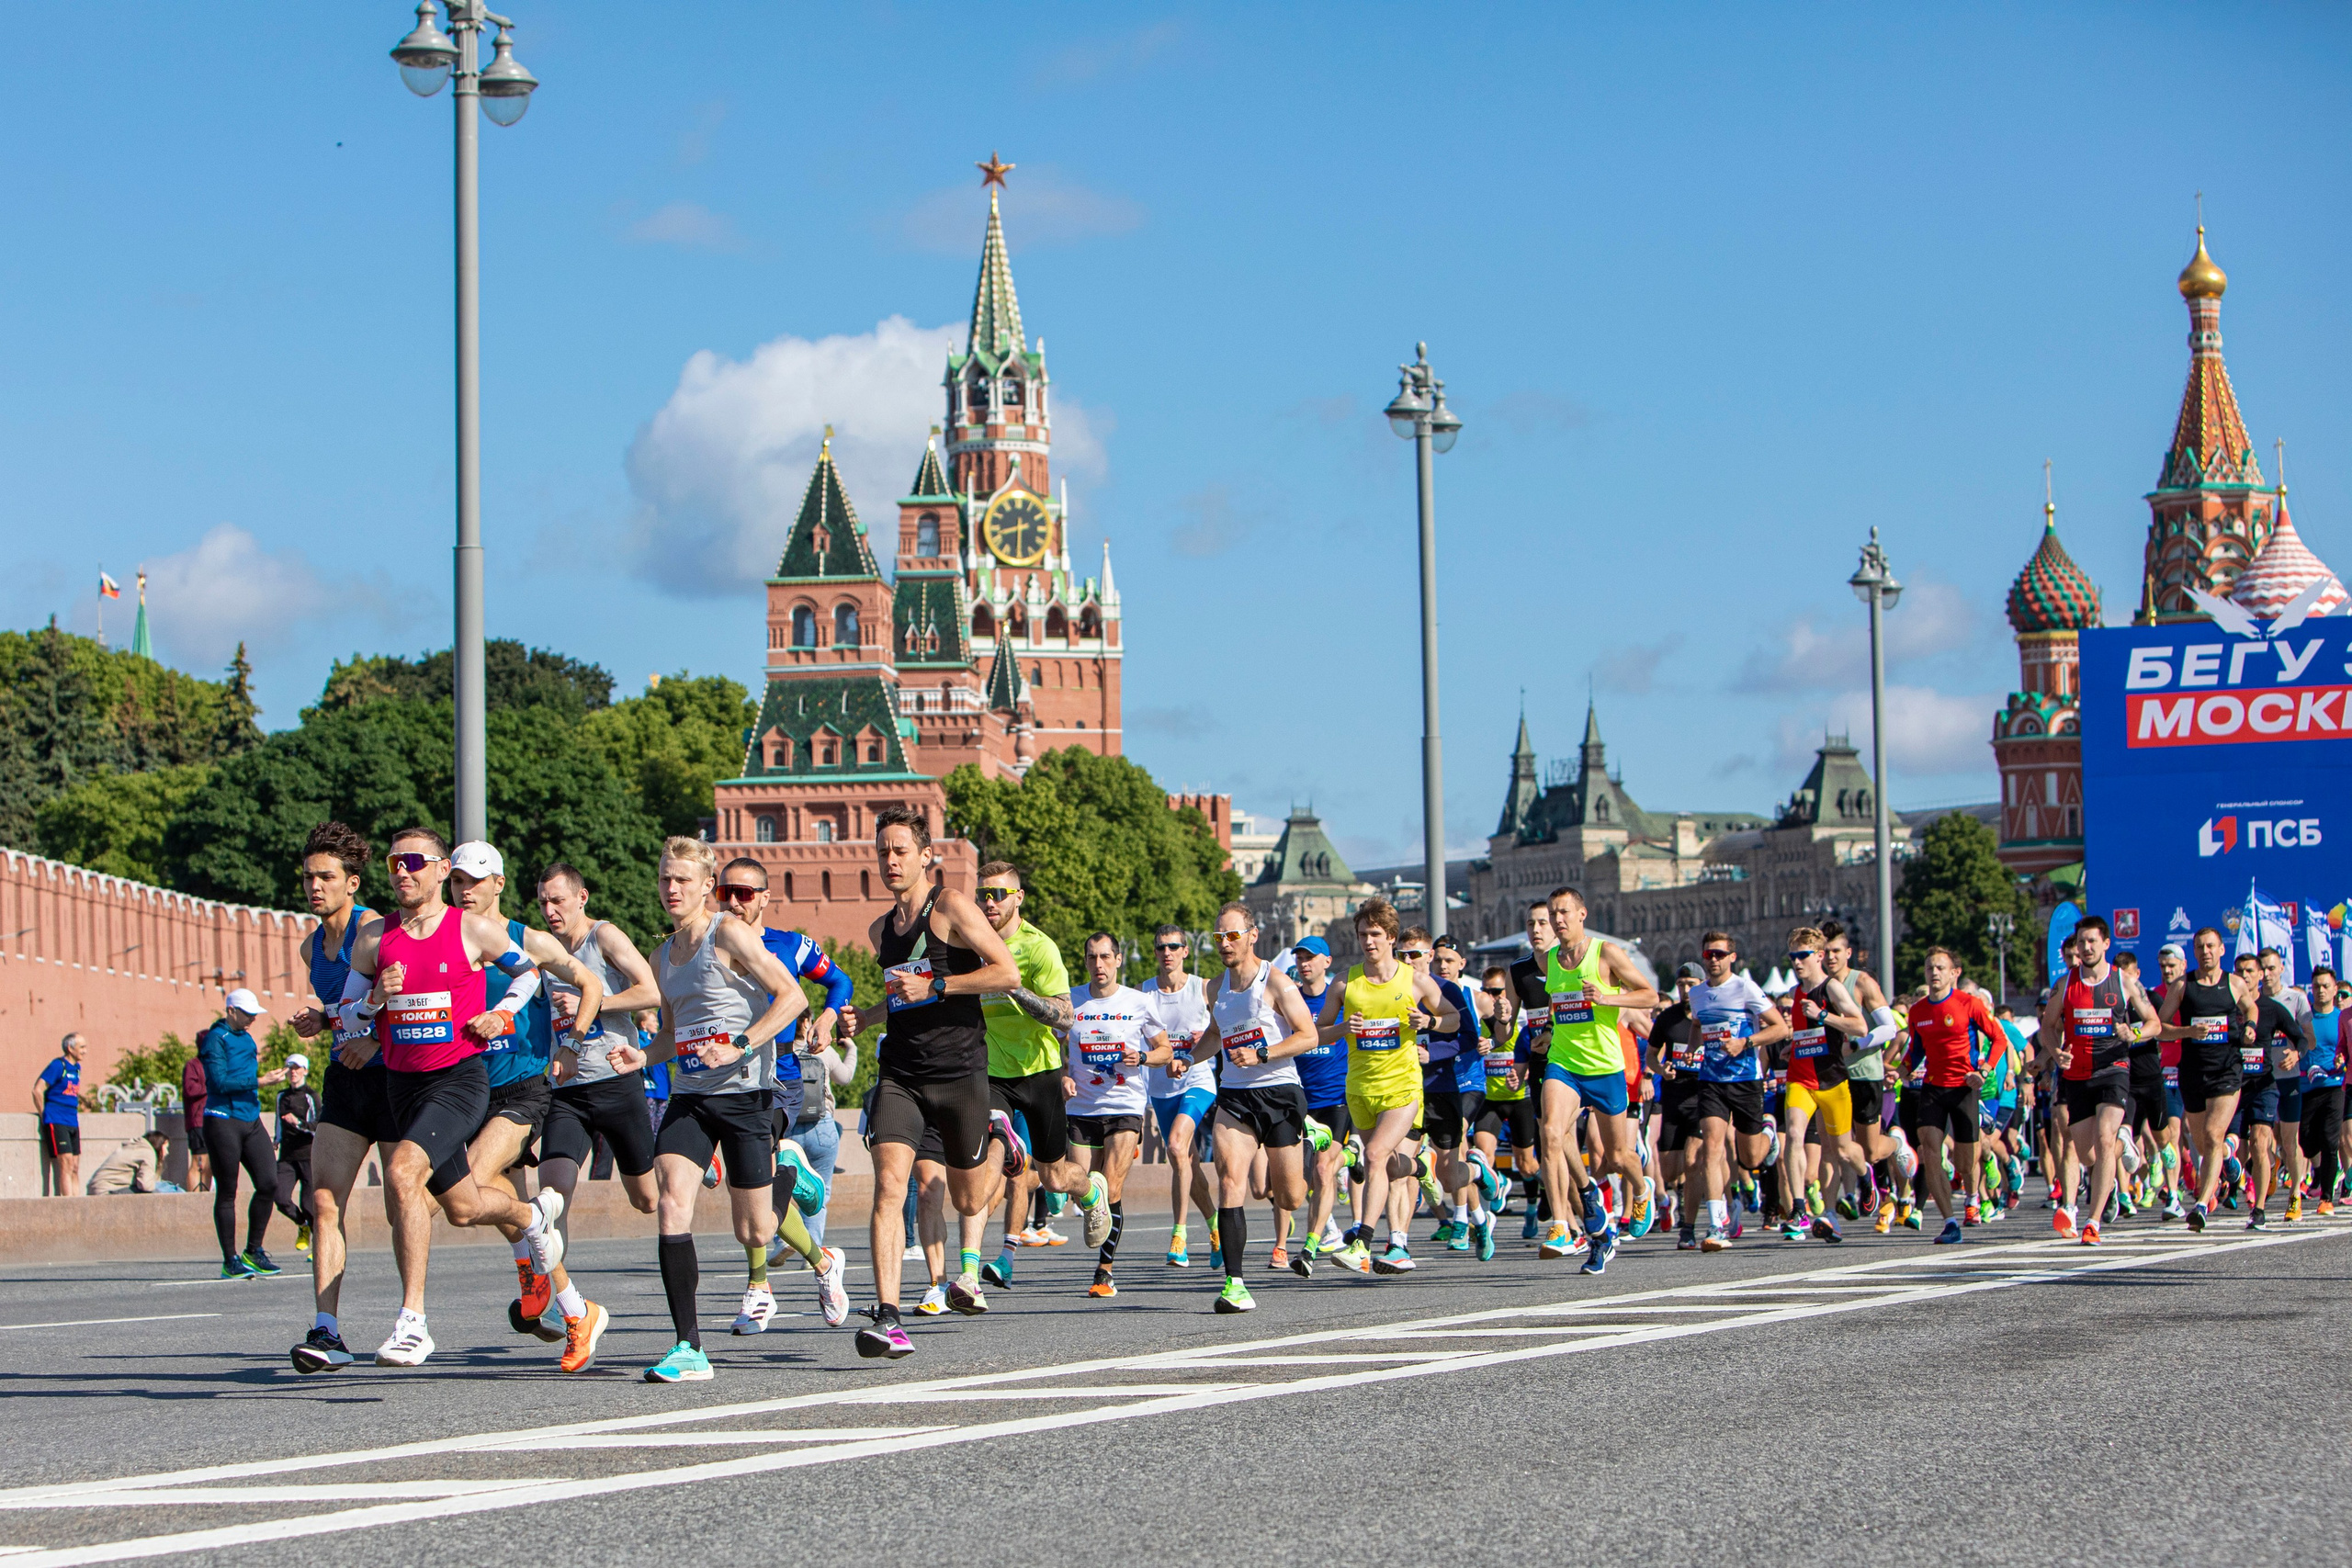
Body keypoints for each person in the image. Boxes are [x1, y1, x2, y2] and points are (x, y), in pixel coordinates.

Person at [331, 828, 575, 1368]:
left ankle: (412, 1322)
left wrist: (502, 1013)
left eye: (414, 861)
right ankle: (531, 1218)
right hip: (403, 1084)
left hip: (459, 1081)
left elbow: (529, 973)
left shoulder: (472, 929)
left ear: (441, 869)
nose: (402, 871)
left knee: (400, 1174)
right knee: (462, 1208)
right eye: (395, 861)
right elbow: (345, 1016)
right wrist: (373, 1002)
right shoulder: (374, 938)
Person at [619, 837, 809, 1383]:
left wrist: (741, 1045)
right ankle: (689, 1347)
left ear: (708, 886)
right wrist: (642, 1054)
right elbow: (675, 1036)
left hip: (746, 1092)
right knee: (671, 1201)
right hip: (692, 1097)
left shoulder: (728, 932)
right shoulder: (662, 955)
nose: (671, 889)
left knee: (754, 1232)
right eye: (664, 879)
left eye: (683, 880)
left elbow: (792, 997)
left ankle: (785, 1180)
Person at [837, 806, 1023, 1359]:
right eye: (882, 851)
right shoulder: (880, 930)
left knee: (968, 1200)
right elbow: (901, 995)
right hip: (901, 1073)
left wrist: (941, 987)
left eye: (900, 851)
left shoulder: (951, 908)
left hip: (961, 1071)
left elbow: (1006, 972)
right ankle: (889, 1317)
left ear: (925, 856)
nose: (890, 860)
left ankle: (998, 1141)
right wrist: (864, 1018)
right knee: (892, 1186)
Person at [443, 843, 622, 1371]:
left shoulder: (529, 941)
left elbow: (590, 985)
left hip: (523, 1087)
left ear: (498, 883)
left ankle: (416, 1320)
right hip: (465, 1086)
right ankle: (574, 1307)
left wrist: (571, 1045)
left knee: (473, 1184)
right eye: (456, 882)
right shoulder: (444, 941)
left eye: (474, 881)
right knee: (490, 1206)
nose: (464, 891)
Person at [701, 856, 850, 1333]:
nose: (736, 902)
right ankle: (821, 1260)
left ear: (765, 898)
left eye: (747, 893)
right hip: (720, 1079)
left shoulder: (789, 945)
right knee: (751, 1196)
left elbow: (838, 980)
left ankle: (759, 1287)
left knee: (754, 1187)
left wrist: (827, 1018)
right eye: (727, 893)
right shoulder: (702, 945)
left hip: (778, 1077)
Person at [535, 862, 664, 1371]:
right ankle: (575, 1315)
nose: (550, 911)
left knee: (646, 1200)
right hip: (566, 1092)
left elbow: (651, 991)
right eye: (543, 902)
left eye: (558, 901)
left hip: (616, 1083)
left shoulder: (604, 936)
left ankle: (700, 1164)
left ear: (581, 897)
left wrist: (596, 1000)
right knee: (548, 1206)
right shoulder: (541, 951)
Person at [966, 862, 1109, 1302]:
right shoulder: (969, 944)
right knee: (987, 1160)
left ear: (1018, 897)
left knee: (1054, 1179)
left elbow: (1066, 1017)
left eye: (999, 894)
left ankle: (1091, 1191)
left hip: (1040, 1073)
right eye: (983, 894)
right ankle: (969, 1274)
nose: (990, 902)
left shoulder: (1039, 947)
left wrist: (1014, 988)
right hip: (990, 1072)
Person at [286, 821, 390, 1373]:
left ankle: (409, 1322)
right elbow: (342, 1012)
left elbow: (407, 997)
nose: (315, 885)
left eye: (327, 876)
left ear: (353, 882)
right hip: (345, 1081)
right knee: (324, 1202)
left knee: (413, 1206)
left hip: (396, 1075)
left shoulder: (374, 929)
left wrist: (371, 1038)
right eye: (308, 876)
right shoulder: (310, 946)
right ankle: (327, 1329)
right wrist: (320, 1023)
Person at [1317, 898, 1458, 1275]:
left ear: (1392, 937)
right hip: (1360, 1088)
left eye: (1376, 934)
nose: (1368, 942)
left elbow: (1452, 1018)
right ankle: (1419, 1167)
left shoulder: (1415, 980)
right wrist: (1343, 1029)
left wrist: (1427, 1022)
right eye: (1363, 934)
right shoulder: (1345, 982)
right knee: (1391, 1167)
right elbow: (1317, 1031)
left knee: (1375, 1157)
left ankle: (1362, 1241)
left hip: (1403, 1087)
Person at [1197, 902, 1322, 1310]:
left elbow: (1309, 1036)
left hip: (1280, 1092)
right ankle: (1235, 1284)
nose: (1225, 944)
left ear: (1252, 935)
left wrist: (1263, 1054)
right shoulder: (1215, 988)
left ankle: (1312, 1139)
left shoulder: (1277, 982)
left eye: (1232, 935)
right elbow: (1216, 1035)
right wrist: (1189, 1057)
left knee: (1289, 1198)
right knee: (1231, 1180)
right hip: (1235, 1097)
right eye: (1219, 937)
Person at [1535, 887, 1659, 1274]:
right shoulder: (1551, 960)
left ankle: (1642, 1190)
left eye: (1564, 912)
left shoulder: (1605, 953)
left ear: (1582, 914)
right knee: (1553, 1133)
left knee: (1618, 1157)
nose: (1558, 920)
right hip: (1564, 1064)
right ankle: (1570, 1213)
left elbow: (1650, 995)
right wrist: (1549, 1031)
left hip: (1605, 1066)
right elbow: (1562, 1007)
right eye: (1553, 913)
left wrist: (1607, 997)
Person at [2031, 916, 2160, 1246]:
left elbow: (2154, 1024)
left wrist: (2132, 1032)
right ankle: (2122, 1148)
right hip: (2076, 1075)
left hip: (2113, 1069)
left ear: (2106, 944)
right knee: (2088, 1155)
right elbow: (2048, 1026)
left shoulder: (2124, 982)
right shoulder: (2065, 984)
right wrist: (2054, 1052)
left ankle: (2092, 1221)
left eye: (2092, 941)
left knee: (2104, 1140)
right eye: (2081, 942)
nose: (2086, 948)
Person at [1062, 933, 1173, 1299]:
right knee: (1079, 1188)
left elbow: (1164, 1050)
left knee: (1111, 1187)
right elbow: (1052, 1047)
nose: (1099, 965)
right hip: (1081, 1107)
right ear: (1085, 962)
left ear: (1119, 960)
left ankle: (1104, 1272)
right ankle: (1089, 1205)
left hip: (1125, 1105)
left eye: (1106, 957)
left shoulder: (1138, 1002)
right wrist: (1063, 1075)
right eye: (1092, 957)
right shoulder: (1070, 999)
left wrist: (1141, 1058)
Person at [2154, 927, 2262, 1233]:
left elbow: (2250, 1005)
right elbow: (2160, 1027)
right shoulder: (2182, 986)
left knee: (2215, 1135)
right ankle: (2229, 1161)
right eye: (2200, 947)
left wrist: (2251, 1024)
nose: (2206, 952)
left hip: (2227, 1070)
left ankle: (2201, 1204)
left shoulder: (2234, 983)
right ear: (2194, 951)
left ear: (2221, 950)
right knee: (2204, 1144)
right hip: (2193, 1072)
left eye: (2211, 946)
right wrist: (2188, 1032)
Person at [1688, 931, 1788, 1252]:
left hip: (1745, 1079)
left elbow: (1780, 1028)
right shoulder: (1698, 994)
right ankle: (1717, 1224)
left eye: (1719, 954)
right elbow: (1697, 1025)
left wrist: (1745, 1042)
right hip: (1711, 1080)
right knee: (1711, 1149)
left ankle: (1768, 1135)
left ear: (1732, 957)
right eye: (1708, 955)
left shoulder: (1745, 988)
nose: (1713, 960)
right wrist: (1692, 1050)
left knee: (1750, 1158)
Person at [1901, 948, 2004, 1246]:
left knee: (1964, 1163)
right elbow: (1915, 1050)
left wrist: (1984, 1070)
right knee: (1929, 1148)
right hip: (1933, 1087)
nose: (1934, 973)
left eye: (1940, 968)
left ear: (1952, 973)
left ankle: (1972, 1196)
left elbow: (1999, 1039)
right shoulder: (1918, 1011)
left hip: (1964, 1087)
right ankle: (1949, 1222)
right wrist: (1903, 1069)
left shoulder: (1969, 1004)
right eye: (1930, 968)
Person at [1777, 929, 1867, 1243]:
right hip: (1800, 1077)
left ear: (1818, 956)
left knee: (1843, 1151)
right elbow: (1805, 1034)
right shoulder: (1794, 991)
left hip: (1832, 1080)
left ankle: (1865, 1175)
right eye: (1792, 957)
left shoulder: (1833, 988)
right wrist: (1794, 1046)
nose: (1797, 963)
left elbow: (1859, 1025)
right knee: (1794, 1134)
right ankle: (1799, 1208)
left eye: (1802, 956)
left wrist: (1824, 1015)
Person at [1139, 925, 1218, 1269]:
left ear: (1186, 951)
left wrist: (1200, 1045)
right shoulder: (1143, 994)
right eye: (1161, 947)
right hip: (1161, 1087)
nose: (1167, 953)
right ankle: (1215, 1225)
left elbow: (1223, 1030)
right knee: (1185, 1161)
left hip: (1198, 1080)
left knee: (1175, 1145)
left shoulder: (1203, 989)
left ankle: (1180, 1236)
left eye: (1174, 947)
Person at [197, 990, 289, 1279]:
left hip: (250, 1119)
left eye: (254, 1014)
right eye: (247, 1013)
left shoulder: (247, 1039)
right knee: (227, 1191)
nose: (251, 1019)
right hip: (223, 1120)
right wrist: (261, 1081)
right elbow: (218, 1081)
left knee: (269, 1182)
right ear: (230, 1010)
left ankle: (254, 1250)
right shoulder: (215, 1039)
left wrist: (261, 1081)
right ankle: (230, 1260)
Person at [2231, 951, 2310, 1230]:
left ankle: (2265, 1207)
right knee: (2230, 1145)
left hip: (2267, 1083)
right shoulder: (2228, 1005)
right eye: (2240, 970)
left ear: (2261, 974)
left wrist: (2296, 1054)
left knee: (2263, 1142)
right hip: (2232, 1085)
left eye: (2250, 971)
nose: (2245, 976)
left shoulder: (2274, 1008)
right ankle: (2236, 1176)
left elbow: (2301, 1037)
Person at [1289, 936, 1352, 1271]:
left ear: (1327, 961)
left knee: (1323, 1169)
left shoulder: (1341, 998)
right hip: (1300, 1100)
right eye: (1299, 957)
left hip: (1335, 1099)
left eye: (1311, 957)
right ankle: (1350, 1157)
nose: (1304, 963)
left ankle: (1312, 1247)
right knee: (1293, 1184)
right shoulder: (1290, 1000)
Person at [1473, 962, 1538, 1255]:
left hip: (1519, 1099)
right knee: (1483, 1156)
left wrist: (1520, 1074)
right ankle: (1488, 1214)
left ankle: (1533, 1206)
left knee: (1526, 1165)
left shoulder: (1521, 1021)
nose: (1493, 997)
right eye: (1487, 991)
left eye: (1498, 991)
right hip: (1490, 1100)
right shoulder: (1479, 1022)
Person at [1506, 899, 1560, 1237]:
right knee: (1551, 1137)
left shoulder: (1571, 964)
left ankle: (1635, 1186)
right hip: (1544, 1063)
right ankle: (1565, 1215)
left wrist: (1553, 1029)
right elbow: (1507, 1027)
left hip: (1583, 1059)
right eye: (1530, 924)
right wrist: (1498, 1024)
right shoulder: (1519, 971)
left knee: (1605, 1155)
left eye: (1542, 923)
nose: (1536, 930)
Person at [2259, 948, 2314, 1219]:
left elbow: (2309, 1039)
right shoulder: (2252, 1002)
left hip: (2289, 1079)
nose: (2267, 974)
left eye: (2272, 968)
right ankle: (2269, 1166)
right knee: (2261, 1139)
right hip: (2260, 1079)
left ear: (2281, 969)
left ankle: (2295, 1194)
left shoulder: (2296, 999)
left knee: (2290, 1141)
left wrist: (2297, 1054)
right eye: (2263, 969)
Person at [2298, 967, 2343, 1215]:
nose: (2321, 990)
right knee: (2304, 1138)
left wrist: (2343, 1060)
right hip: (2307, 1087)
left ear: (2335, 990)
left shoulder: (2342, 1018)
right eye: (2316, 987)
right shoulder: (2304, 1019)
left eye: (2326, 986)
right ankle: (2316, 1170)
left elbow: (2347, 1049)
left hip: (2335, 1086)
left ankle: (2326, 1197)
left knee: (2330, 1139)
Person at [272, 1055, 319, 1249]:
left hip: (307, 1154)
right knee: (280, 1197)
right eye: (290, 1068)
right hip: (287, 1156)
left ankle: (318, 1246)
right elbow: (278, 1121)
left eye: (297, 1068)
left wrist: (299, 1123)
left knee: (309, 1205)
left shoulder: (311, 1096)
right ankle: (302, 1225)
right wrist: (277, 1139)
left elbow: (318, 1126)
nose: (293, 1072)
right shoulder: (281, 1096)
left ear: (305, 1071)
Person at [33, 1033, 84, 1198]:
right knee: (66, 1163)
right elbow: (37, 1090)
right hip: (57, 1119)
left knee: (75, 1166)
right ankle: (68, 1204)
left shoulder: (77, 1068)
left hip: (72, 1120)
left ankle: (78, 1205)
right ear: (70, 1048)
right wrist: (44, 1115)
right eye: (82, 1047)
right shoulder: (58, 1065)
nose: (85, 1051)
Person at [88, 1125, 171, 1194]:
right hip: (106, 1191)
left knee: (162, 1187)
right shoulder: (148, 1153)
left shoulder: (137, 1147)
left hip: (98, 1188)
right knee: (159, 1194)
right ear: (158, 1145)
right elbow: (146, 1185)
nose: (167, 1152)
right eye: (165, 1148)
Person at [180, 1051, 210, 1192]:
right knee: (199, 1162)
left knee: (209, 1165)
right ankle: (194, 1199)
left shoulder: (215, 1064)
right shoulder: (193, 1065)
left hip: (213, 1121)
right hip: (198, 1122)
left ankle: (204, 1198)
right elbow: (189, 1089)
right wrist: (211, 1085)